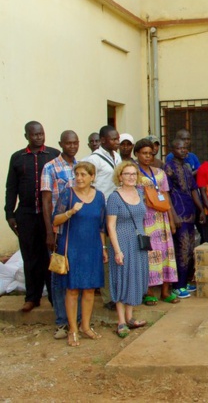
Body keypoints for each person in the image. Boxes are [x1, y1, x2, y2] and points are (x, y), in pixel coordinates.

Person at [5, 121, 60, 312]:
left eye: (41, 134)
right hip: (26, 214)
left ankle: (54, 298)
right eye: (34, 135)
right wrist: (9, 213)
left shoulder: (53, 155)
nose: (39, 137)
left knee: (49, 256)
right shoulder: (18, 158)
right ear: (26, 136)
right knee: (30, 257)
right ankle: (32, 297)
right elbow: (11, 187)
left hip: (48, 216)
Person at [52, 162, 106, 347]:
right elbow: (55, 220)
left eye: (84, 174)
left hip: (92, 248)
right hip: (72, 248)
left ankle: (86, 327)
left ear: (92, 177)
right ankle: (73, 329)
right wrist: (70, 212)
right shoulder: (68, 194)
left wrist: (104, 248)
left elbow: (101, 226)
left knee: (90, 290)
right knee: (72, 290)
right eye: (77, 174)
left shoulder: (99, 196)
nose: (80, 178)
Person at [41, 130, 80, 339]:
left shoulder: (80, 167)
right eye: (68, 143)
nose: (72, 146)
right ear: (61, 144)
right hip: (59, 230)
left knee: (77, 275)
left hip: (79, 230)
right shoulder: (50, 167)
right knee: (58, 276)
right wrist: (50, 232)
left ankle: (79, 319)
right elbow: (46, 202)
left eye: (75, 143)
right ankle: (61, 323)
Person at [106, 161, 149, 338]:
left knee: (135, 277)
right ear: (120, 177)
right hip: (122, 241)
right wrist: (116, 250)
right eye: (127, 174)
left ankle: (130, 318)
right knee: (121, 279)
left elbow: (142, 218)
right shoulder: (115, 197)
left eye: (133, 174)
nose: (131, 177)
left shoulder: (139, 192)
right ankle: (121, 321)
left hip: (138, 242)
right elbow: (110, 225)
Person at [134, 139, 180, 305]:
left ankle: (166, 291)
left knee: (166, 252)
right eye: (144, 153)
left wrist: (171, 220)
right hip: (145, 219)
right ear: (137, 154)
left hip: (161, 218)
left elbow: (165, 196)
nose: (147, 156)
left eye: (150, 154)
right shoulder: (134, 174)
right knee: (149, 254)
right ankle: (149, 292)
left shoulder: (159, 173)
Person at [83, 125, 121, 311]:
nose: (117, 142)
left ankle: (118, 291)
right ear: (103, 140)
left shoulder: (117, 156)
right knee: (104, 252)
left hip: (116, 209)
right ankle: (108, 297)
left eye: (118, 138)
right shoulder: (93, 160)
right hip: (101, 210)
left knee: (116, 252)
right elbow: (87, 184)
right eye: (113, 139)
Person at [164, 139, 207, 299]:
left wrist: (201, 210)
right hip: (178, 212)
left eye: (185, 148)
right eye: (179, 148)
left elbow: (194, 190)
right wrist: (173, 215)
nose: (183, 150)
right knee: (181, 248)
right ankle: (177, 285)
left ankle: (184, 281)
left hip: (190, 212)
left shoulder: (187, 168)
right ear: (172, 150)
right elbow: (166, 192)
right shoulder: (168, 168)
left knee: (189, 249)